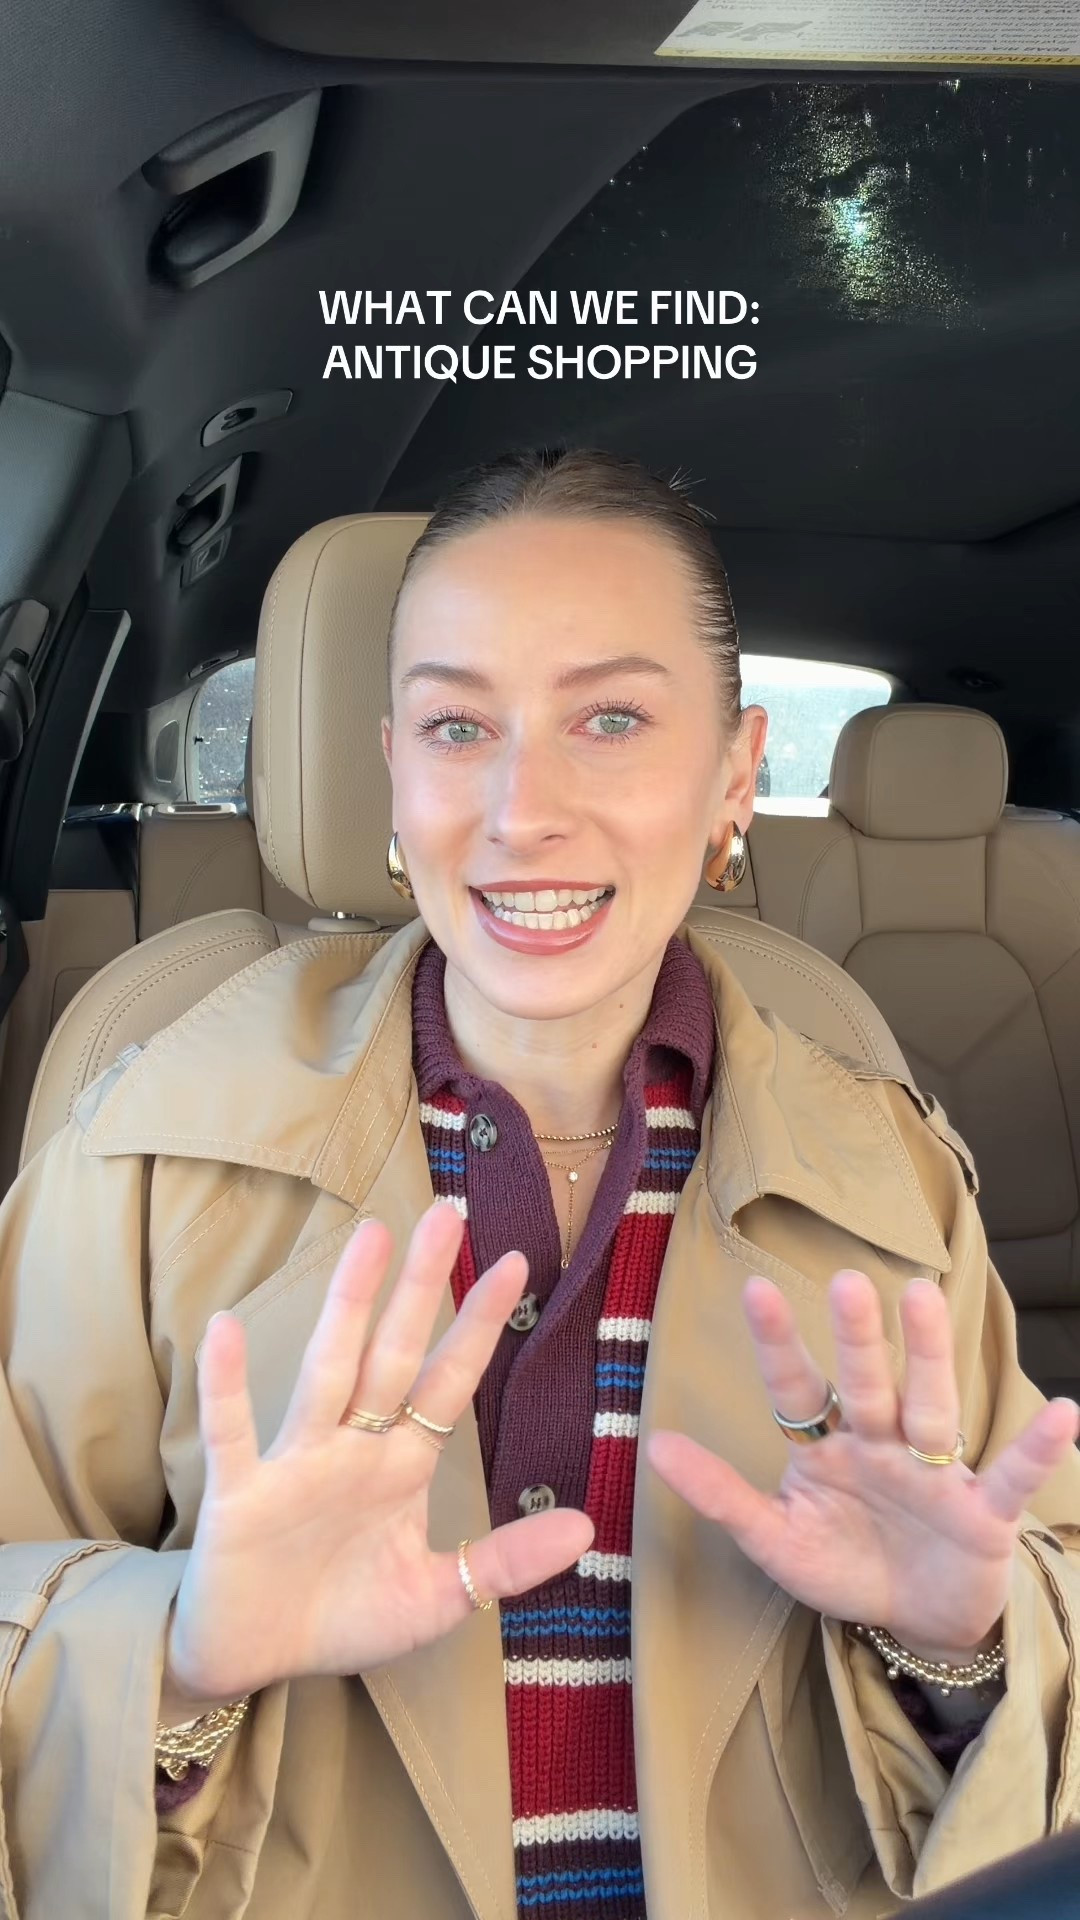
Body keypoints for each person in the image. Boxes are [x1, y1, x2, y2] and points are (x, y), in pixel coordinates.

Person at [0, 446, 1078, 1920]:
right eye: (459, 726)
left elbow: (1038, 1650)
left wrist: (960, 1649)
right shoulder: (147, 1143)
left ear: (737, 771)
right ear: (393, 766)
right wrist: (176, 1653)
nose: (521, 811)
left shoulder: (881, 1168)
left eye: (613, 720)